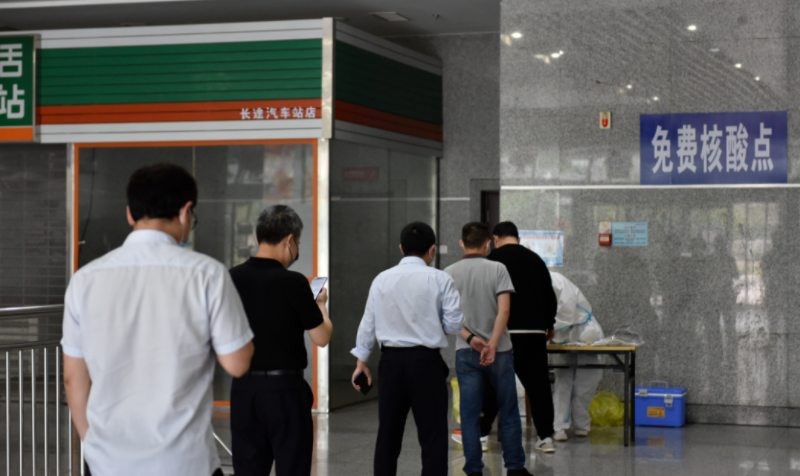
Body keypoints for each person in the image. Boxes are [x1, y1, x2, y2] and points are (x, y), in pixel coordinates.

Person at [62, 163, 255, 476]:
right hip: (184, 461)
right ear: (186, 212)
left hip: (108, 462)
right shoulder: (207, 274)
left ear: (130, 214)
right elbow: (238, 363)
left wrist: (92, 443)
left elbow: (73, 377)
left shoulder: (85, 280)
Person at [351, 222, 464, 476]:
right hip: (427, 363)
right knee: (433, 436)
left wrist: (361, 362)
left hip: (391, 363)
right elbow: (455, 324)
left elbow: (368, 323)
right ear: (432, 250)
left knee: (388, 436)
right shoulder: (441, 278)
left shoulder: (381, 279)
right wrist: (433, 326)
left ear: (401, 248)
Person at [228, 205, 333, 475]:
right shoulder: (294, 283)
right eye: (297, 244)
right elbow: (321, 337)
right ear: (290, 240)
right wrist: (321, 305)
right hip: (285, 391)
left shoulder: (231, 278)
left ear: (257, 237)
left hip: (243, 390)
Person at [444, 223, 531, 476]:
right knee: (509, 410)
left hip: (466, 350)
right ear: (488, 244)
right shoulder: (498, 268)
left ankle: (473, 469)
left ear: (462, 243)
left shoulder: (448, 273)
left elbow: (448, 317)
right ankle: (514, 467)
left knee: (470, 414)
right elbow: (505, 310)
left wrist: (472, 339)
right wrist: (492, 343)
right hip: (500, 351)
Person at [488, 221, 558, 452]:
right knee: (538, 386)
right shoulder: (536, 260)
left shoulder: (492, 259)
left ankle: (482, 434)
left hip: (503, 333)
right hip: (534, 333)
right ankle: (546, 437)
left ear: (496, 238)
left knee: (493, 384)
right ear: (518, 237)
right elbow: (549, 296)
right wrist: (549, 325)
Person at [548, 272, 604, 441]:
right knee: (562, 381)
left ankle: (581, 425)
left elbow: (567, 313)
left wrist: (544, 329)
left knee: (586, 383)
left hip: (585, 333)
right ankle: (558, 426)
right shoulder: (532, 283)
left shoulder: (556, 280)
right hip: (560, 337)